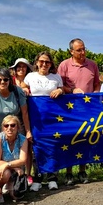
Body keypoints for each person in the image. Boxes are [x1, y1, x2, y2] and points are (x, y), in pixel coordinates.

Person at [58, 38, 101, 185]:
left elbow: (97, 84)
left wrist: (94, 96)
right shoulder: (64, 65)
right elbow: (59, 86)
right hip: (69, 110)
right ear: (71, 51)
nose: (83, 52)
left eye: (84, 49)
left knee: (85, 139)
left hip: (88, 110)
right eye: (79, 50)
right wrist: (71, 90)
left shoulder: (93, 65)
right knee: (70, 140)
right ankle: (69, 173)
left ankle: (82, 171)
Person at [24, 51, 64, 190]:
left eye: (47, 62)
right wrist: (24, 89)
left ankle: (52, 176)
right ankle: (38, 177)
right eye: (42, 61)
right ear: (36, 62)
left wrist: (60, 91)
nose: (44, 64)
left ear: (51, 64)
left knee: (53, 145)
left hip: (53, 118)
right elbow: (23, 86)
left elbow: (61, 89)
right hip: (36, 118)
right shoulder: (30, 76)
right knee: (37, 147)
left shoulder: (56, 77)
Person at [0, 67, 31, 142]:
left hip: (18, 129)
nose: (3, 82)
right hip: (0, 129)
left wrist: (28, 132)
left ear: (10, 80)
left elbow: (25, 113)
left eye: (5, 79)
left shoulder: (18, 91)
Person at [0, 114, 29, 201]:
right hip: (1, 169)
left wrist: (8, 165)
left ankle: (10, 185)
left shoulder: (23, 139)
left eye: (12, 125)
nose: (9, 128)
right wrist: (13, 167)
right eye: (6, 125)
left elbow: (23, 160)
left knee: (16, 196)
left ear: (18, 127)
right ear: (3, 127)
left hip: (16, 172)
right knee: (6, 173)